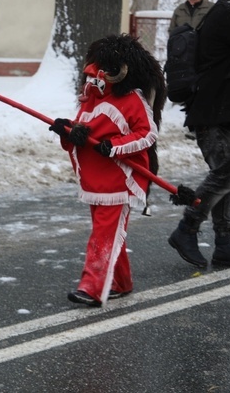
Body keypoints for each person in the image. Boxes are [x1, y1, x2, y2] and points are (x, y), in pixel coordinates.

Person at [50, 34, 166, 307]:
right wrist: (66, 130)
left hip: (120, 181)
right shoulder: (89, 100)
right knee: (110, 233)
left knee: (103, 234)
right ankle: (121, 282)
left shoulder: (132, 100)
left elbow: (147, 134)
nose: (93, 77)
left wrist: (114, 146)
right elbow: (80, 136)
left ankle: (92, 287)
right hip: (94, 182)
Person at [167, 0, 230, 269]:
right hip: (212, 112)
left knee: (228, 177)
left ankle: (225, 243)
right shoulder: (229, 14)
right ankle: (186, 229)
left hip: (225, 112)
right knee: (227, 173)